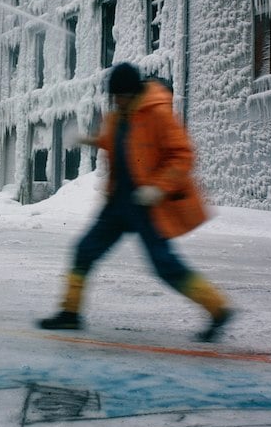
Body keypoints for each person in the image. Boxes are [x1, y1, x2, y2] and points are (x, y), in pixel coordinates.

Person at [38, 62, 235, 342]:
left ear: (133, 92)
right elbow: (116, 142)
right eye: (113, 97)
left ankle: (218, 309)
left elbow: (183, 155)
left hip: (147, 206)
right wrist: (88, 140)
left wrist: (158, 188)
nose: (116, 102)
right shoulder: (119, 115)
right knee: (84, 250)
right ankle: (70, 314)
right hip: (118, 203)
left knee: (164, 264)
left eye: (120, 96)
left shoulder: (157, 113)